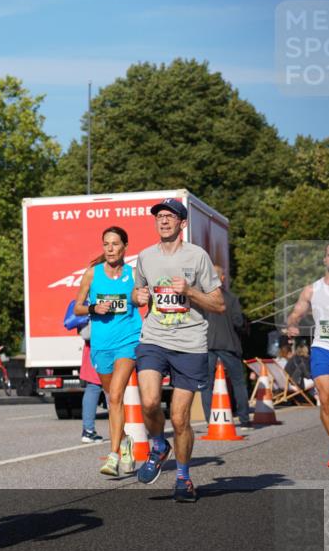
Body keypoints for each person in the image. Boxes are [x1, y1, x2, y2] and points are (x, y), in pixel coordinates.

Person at [132, 198, 225, 502]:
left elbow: (219, 304)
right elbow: (138, 292)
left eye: (171, 216)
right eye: (160, 216)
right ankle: (159, 445)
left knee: (180, 418)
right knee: (148, 402)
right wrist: (138, 296)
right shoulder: (145, 257)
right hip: (154, 338)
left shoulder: (198, 257)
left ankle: (183, 478)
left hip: (189, 344)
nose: (164, 220)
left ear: (182, 223)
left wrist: (189, 291)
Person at [74, 226, 142, 476]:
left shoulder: (133, 274)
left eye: (115, 244)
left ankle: (113, 456)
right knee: (112, 399)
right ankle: (125, 441)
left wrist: (142, 297)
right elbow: (77, 308)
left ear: (125, 246)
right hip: (101, 345)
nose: (110, 249)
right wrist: (94, 308)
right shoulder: (92, 274)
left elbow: (138, 298)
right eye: (106, 244)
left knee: (115, 396)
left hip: (128, 341)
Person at [285, 240, 329, 468]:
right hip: (323, 350)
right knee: (327, 401)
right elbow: (296, 312)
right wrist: (292, 323)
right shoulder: (312, 289)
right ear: (324, 260)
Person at [202, 265, 251, 431]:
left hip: (206, 345)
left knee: (207, 385)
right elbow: (238, 322)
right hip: (229, 345)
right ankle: (244, 419)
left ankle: (210, 420)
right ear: (222, 278)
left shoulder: (202, 298)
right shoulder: (231, 298)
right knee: (238, 381)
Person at [64, 300, 104, 444]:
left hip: (92, 348)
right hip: (104, 346)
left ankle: (88, 430)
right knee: (112, 389)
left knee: (93, 388)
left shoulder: (86, 299)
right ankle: (122, 430)